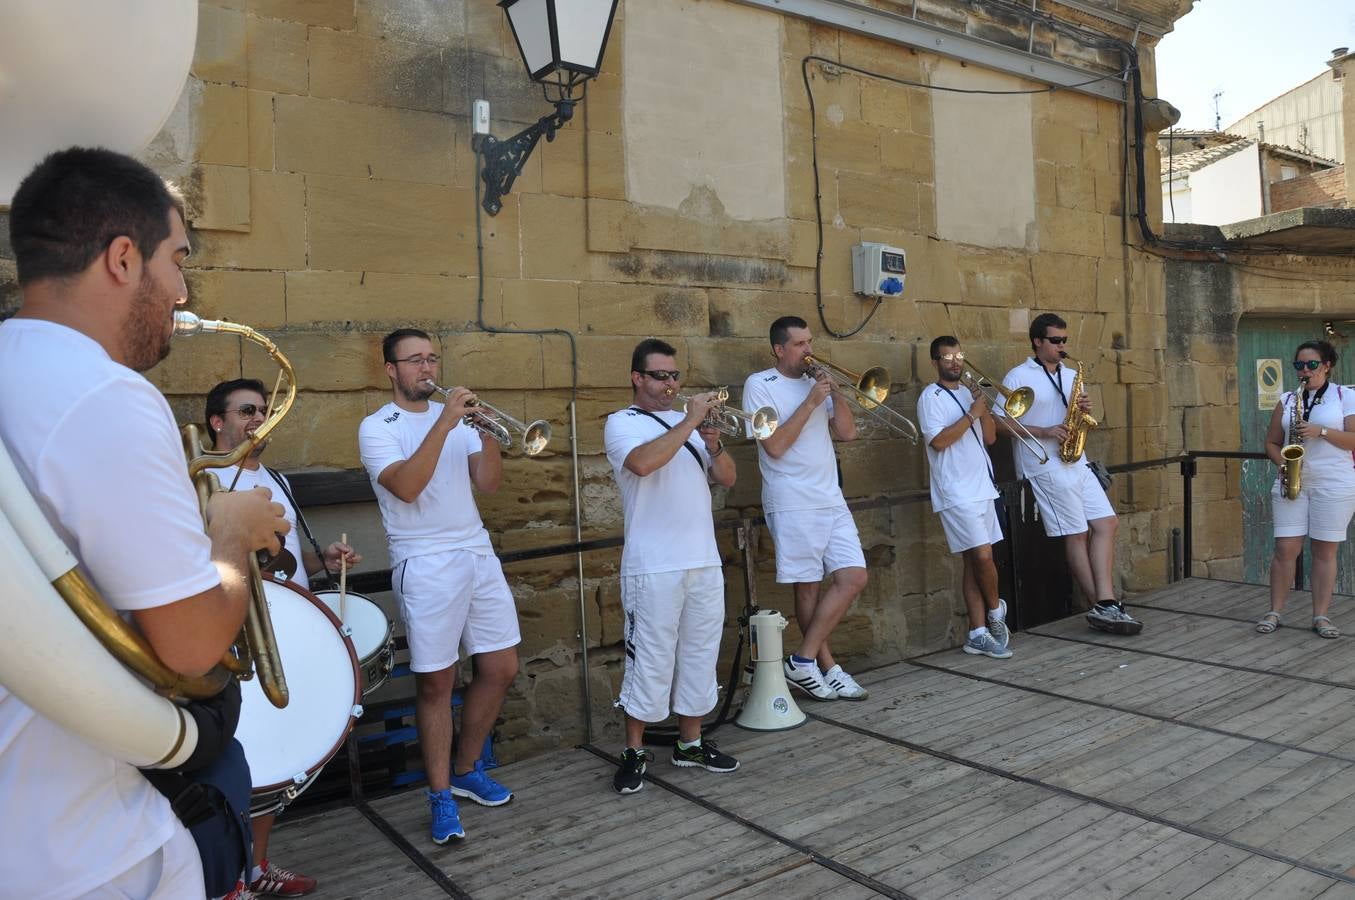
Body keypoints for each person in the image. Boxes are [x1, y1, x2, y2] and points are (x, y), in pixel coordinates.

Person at [0, 147, 288, 898]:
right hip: (100, 847)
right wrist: (227, 528)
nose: (183, 290)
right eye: (178, 258)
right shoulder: (106, 394)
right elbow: (191, 647)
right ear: (124, 259)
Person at [358, 329, 520, 844]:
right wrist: (446, 422)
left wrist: (487, 430)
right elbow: (406, 487)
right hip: (424, 561)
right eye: (414, 361)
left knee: (500, 666)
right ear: (391, 369)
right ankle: (440, 796)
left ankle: (468, 769)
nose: (426, 368)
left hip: (476, 552)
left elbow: (488, 484)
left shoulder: (459, 420)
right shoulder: (376, 427)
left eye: (432, 358)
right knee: (436, 684)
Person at [205, 378, 361, 897]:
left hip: (284, 627)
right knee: (240, 753)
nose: (258, 418)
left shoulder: (276, 478)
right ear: (217, 422)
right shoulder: (207, 479)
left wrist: (324, 561)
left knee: (277, 754)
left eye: (264, 410)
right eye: (247, 410)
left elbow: (289, 562)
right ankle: (228, 878)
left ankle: (257, 867)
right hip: (236, 633)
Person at [603, 339, 741, 794]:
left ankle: (690, 743)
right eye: (660, 375)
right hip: (653, 564)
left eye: (675, 375)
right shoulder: (622, 423)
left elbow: (727, 479)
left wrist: (714, 443)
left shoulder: (690, 428)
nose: (671, 384)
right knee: (650, 660)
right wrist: (690, 421)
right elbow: (642, 464)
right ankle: (634, 750)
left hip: (701, 559)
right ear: (637, 378)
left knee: (700, 654)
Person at [742, 316, 870, 701]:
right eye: (799, 344)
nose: (808, 350)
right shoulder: (759, 385)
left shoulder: (818, 385)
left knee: (853, 577)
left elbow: (847, 433)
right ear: (779, 349)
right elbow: (775, 447)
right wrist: (811, 400)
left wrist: (838, 393)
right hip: (792, 498)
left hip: (830, 496)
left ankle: (803, 660)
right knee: (808, 583)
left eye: (809, 342)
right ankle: (823, 666)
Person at [998, 313, 1141, 635]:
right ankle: (1104, 606)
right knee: (1076, 532)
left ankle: (1105, 603)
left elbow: (1076, 413)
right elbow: (998, 423)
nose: (1063, 346)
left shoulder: (1071, 373)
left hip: (1076, 458)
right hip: (1043, 463)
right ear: (1037, 341)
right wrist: (1045, 430)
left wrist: (1083, 409)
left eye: (1065, 340)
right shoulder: (1018, 375)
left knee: (1107, 523)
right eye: (1056, 341)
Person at [917, 337, 1012, 659]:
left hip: (982, 487)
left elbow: (989, 437)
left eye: (959, 356)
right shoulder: (931, 397)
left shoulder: (969, 393)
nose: (955, 362)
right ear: (935, 363)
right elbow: (939, 441)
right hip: (956, 492)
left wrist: (981, 407)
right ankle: (996, 611)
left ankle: (977, 633)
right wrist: (972, 413)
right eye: (947, 357)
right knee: (984, 557)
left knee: (973, 562)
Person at [1257, 340, 1355, 639]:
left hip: (1333, 481)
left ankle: (1321, 615)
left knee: (1324, 551)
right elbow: (1272, 442)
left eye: (1312, 364)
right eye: (1299, 365)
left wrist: (1321, 431)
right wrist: (1283, 464)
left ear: (1327, 365)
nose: (1305, 370)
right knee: (1285, 549)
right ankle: (1275, 611)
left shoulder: (1345, 396)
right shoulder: (1288, 399)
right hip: (1292, 480)